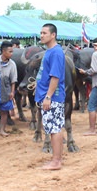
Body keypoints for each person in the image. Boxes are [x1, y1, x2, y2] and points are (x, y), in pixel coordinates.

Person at [35, 23, 66, 170]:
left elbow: (55, 77)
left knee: (55, 128)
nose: (41, 35)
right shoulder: (49, 51)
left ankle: (56, 161)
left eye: (44, 33)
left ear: (53, 35)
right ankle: (56, 159)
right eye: (41, 33)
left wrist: (48, 96)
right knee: (54, 127)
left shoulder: (55, 52)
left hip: (52, 97)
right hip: (47, 95)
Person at [0, 41, 17, 137]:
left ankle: (2, 130)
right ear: (3, 51)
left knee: (4, 111)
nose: (12, 54)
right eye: (10, 51)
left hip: (6, 88)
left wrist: (12, 92)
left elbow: (13, 80)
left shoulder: (12, 64)